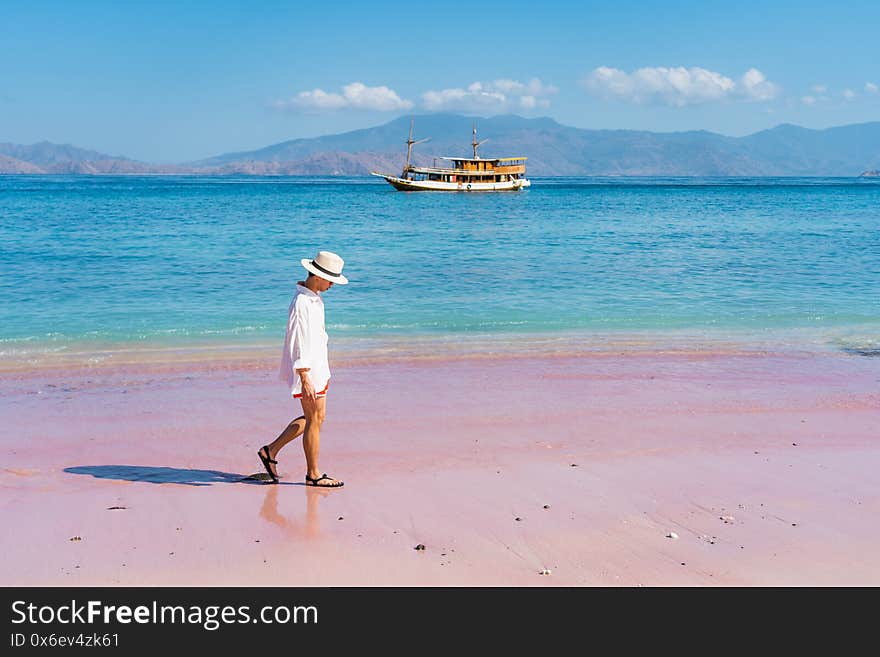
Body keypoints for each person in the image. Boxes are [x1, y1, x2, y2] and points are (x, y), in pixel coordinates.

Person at [258, 250, 348, 487]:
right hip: (308, 369)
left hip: (318, 366)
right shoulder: (302, 303)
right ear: (318, 276)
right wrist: (304, 375)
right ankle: (313, 474)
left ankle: (271, 451)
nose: (332, 285)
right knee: (314, 418)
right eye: (331, 280)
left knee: (316, 418)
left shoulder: (314, 298)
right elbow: (298, 340)